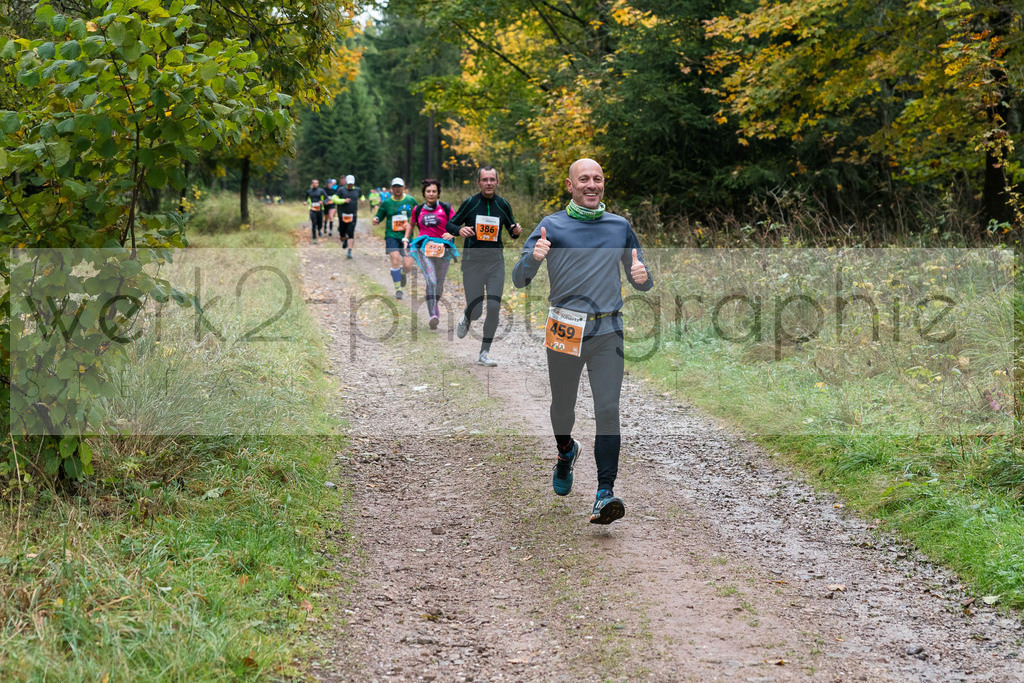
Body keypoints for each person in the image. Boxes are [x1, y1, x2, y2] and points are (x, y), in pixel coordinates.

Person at [512, 158, 652, 525]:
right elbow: (519, 279)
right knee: (563, 408)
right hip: (565, 329)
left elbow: (640, 277)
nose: (592, 185)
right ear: (570, 185)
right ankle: (565, 451)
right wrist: (533, 259)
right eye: (584, 179)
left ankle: (604, 493)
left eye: (598, 179)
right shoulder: (552, 225)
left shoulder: (619, 226)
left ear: (604, 183)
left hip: (608, 330)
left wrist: (642, 276)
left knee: (607, 409)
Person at [446, 165, 522, 367]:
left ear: (497, 182)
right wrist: (459, 231)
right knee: (477, 311)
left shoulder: (503, 204)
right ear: (478, 182)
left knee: (495, 307)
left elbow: (512, 228)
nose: (489, 183)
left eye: (492, 179)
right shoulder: (470, 203)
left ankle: (484, 353)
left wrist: (516, 231)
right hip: (472, 264)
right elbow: (450, 225)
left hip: (496, 263)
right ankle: (467, 316)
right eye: (485, 180)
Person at [404, 179, 458, 329]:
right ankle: (433, 314)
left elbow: (455, 224)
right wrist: (406, 238)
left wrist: (452, 233)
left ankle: (435, 305)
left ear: (438, 193)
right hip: (424, 249)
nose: (431, 194)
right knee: (431, 281)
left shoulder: (446, 208)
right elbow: (411, 223)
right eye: (428, 191)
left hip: (443, 250)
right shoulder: (418, 209)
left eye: (434, 191)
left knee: (439, 284)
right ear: (424, 193)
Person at [371, 177, 417, 299]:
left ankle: (402, 274)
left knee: (408, 265)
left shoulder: (411, 200)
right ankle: (398, 289)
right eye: (395, 187)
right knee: (395, 259)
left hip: (407, 236)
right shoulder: (387, 202)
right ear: (391, 188)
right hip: (391, 235)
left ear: (403, 188)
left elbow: (418, 215)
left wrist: (415, 224)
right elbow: (380, 214)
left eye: (399, 187)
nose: (397, 189)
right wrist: (376, 219)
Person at [336, 174, 361, 259]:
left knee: (351, 232)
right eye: (349, 183)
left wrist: (362, 199)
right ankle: (344, 239)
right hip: (342, 214)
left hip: (353, 214)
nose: (350, 185)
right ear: (346, 183)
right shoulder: (341, 190)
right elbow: (334, 199)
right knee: (342, 233)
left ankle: (349, 252)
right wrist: (343, 200)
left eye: (352, 184)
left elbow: (361, 196)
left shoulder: (357, 190)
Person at [305, 179, 328, 244]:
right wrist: (304, 202)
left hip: (320, 209)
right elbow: (305, 199)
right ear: (312, 184)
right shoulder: (309, 191)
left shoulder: (321, 190)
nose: (315, 184)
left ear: (318, 184)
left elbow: (327, 198)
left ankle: (319, 229)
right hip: (312, 210)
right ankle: (314, 238)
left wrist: (323, 202)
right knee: (314, 223)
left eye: (316, 183)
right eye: (314, 183)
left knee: (320, 223)